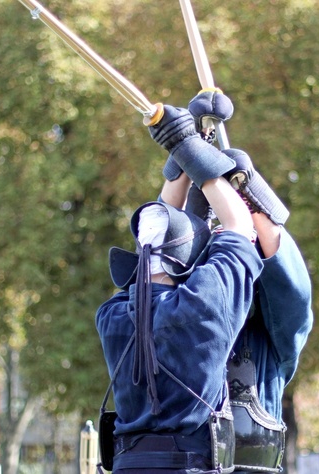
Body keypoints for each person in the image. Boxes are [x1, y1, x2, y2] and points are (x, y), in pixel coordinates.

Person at [96, 103, 265, 473]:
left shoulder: (111, 317)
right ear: (187, 263)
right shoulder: (201, 301)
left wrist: (184, 157)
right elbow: (240, 226)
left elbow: (150, 255)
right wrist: (187, 147)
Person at [184, 90, 314, 473]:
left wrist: (247, 190)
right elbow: (163, 261)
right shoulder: (175, 319)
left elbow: (292, 290)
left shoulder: (272, 342)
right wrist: (188, 158)